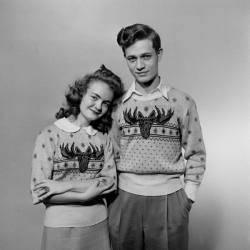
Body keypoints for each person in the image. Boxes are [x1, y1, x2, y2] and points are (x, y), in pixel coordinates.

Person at [108, 24, 206, 250]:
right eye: (132, 59)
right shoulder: (117, 105)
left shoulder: (182, 102)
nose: (139, 65)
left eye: (146, 56)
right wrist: (112, 200)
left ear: (159, 54)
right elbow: (110, 154)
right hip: (124, 199)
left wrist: (187, 198)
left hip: (170, 199)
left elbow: (196, 152)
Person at [30, 65, 124, 250]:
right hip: (60, 226)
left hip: (98, 224)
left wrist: (63, 186)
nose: (99, 107)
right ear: (81, 93)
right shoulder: (49, 134)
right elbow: (40, 191)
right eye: (94, 97)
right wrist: (85, 196)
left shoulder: (102, 138)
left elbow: (110, 182)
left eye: (106, 103)